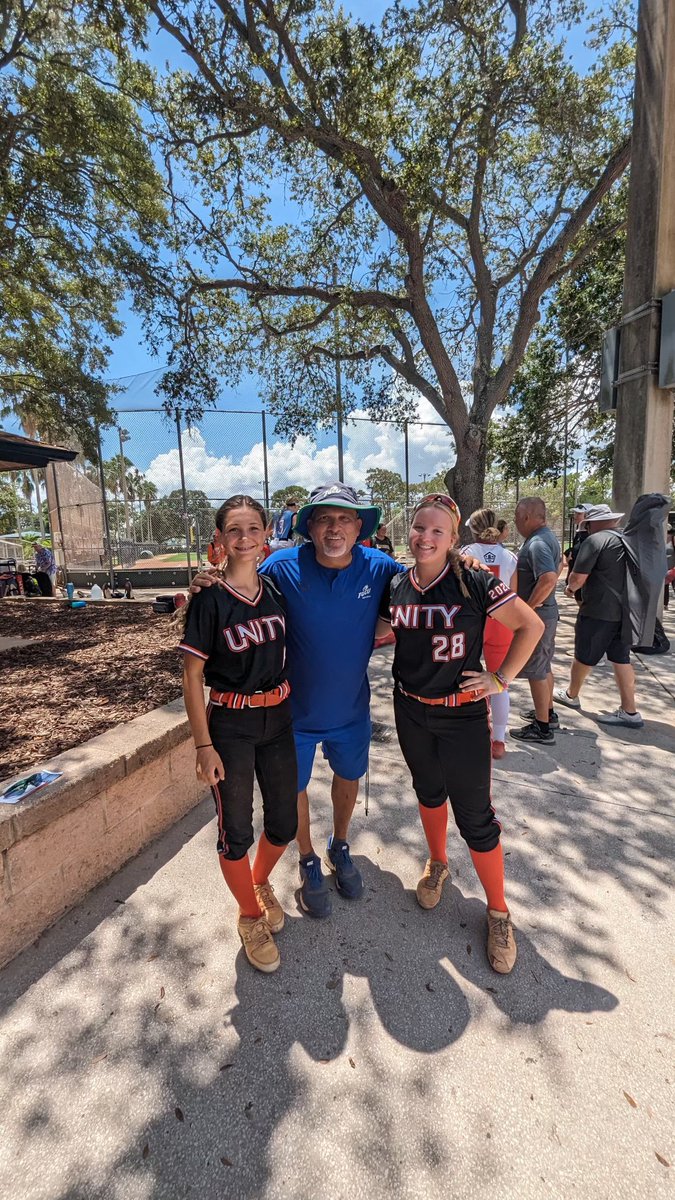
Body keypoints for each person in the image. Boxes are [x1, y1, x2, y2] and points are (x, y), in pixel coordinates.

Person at [189, 481, 489, 920]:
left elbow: (427, 574)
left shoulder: (382, 568)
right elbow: (240, 583)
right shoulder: (280, 567)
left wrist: (464, 560)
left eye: (344, 518)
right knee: (294, 791)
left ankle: (339, 845)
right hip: (291, 714)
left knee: (348, 779)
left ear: (359, 526)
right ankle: (308, 858)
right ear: (308, 525)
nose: (334, 527)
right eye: (324, 518)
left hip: (350, 710)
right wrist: (206, 580)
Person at [377, 494, 543, 973]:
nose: (424, 537)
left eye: (436, 531)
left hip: (462, 715)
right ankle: (437, 864)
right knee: (428, 793)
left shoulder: (472, 580)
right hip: (410, 709)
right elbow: (383, 629)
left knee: (475, 817)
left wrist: (499, 679)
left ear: (453, 539)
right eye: (418, 528)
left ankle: (498, 911)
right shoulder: (396, 584)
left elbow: (528, 627)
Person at [179, 495, 298, 973]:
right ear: (220, 539)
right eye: (234, 530)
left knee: (285, 823)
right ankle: (249, 915)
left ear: (267, 532)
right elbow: (191, 677)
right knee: (236, 831)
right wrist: (203, 744)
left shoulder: (276, 592)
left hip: (279, 717)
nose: (245, 538)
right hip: (230, 724)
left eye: (253, 528)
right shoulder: (208, 599)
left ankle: (259, 882)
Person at [553, 504, 644, 728]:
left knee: (584, 655)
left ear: (593, 523)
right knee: (621, 659)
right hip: (627, 612)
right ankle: (630, 711)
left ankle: (571, 695)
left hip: (599, 610)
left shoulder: (595, 541)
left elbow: (577, 577)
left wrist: (570, 590)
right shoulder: (631, 541)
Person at [463, 509, 518, 759]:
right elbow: (514, 596)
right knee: (499, 683)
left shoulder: (467, 553)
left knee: (468, 678)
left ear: (473, 529)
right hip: (501, 622)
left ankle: (471, 732)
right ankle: (498, 741)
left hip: (474, 621)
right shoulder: (510, 557)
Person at [510, 498, 562, 745]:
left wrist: (528, 610)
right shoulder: (548, 538)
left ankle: (542, 728)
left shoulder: (538, 543)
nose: (516, 522)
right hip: (547, 613)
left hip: (539, 617)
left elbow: (549, 578)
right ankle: (548, 714)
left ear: (528, 517)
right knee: (544, 665)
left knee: (537, 671)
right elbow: (559, 566)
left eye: (517, 518)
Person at [564, 503, 593, 580]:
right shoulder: (579, 533)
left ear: (588, 515)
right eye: (575, 513)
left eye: (579, 514)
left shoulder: (590, 536)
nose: (575, 516)